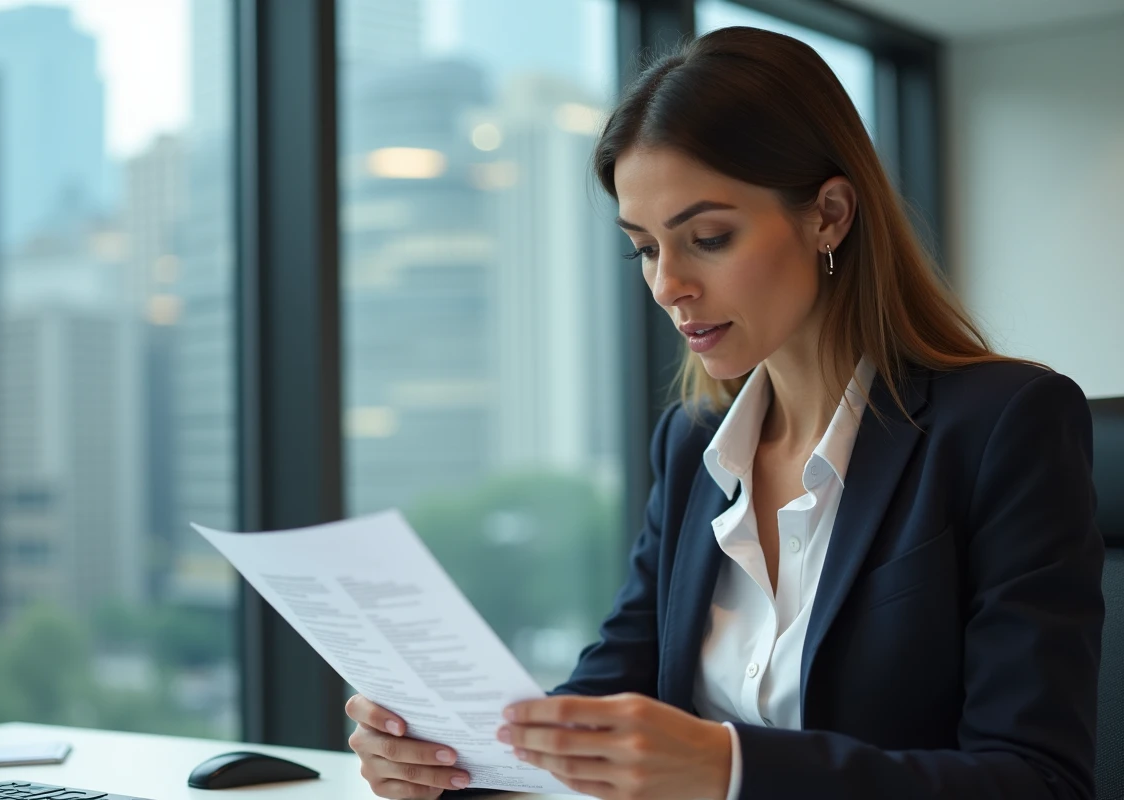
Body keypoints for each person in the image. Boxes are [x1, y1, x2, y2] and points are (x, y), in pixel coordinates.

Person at [345, 25, 1104, 800]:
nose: (668, 284)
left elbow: (1038, 780)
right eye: (643, 248)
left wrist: (731, 769)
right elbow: (605, 697)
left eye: (707, 237)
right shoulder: (694, 446)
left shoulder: (1005, 424)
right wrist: (452, 761)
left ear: (829, 215)